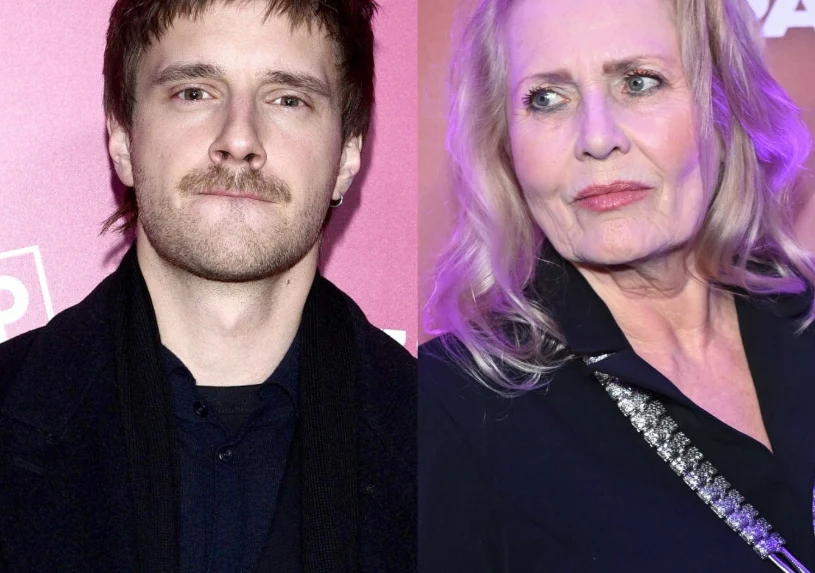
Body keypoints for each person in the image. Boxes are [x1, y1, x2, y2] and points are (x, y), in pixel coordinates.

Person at [0, 1, 416, 572]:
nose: (239, 139)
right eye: (194, 92)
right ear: (122, 138)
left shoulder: (460, 455)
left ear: (347, 156)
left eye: (288, 99)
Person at [419, 0, 814, 571]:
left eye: (639, 82)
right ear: (505, 145)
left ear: (724, 105)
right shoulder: (452, 409)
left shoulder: (802, 317)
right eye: (546, 98)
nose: (597, 137)